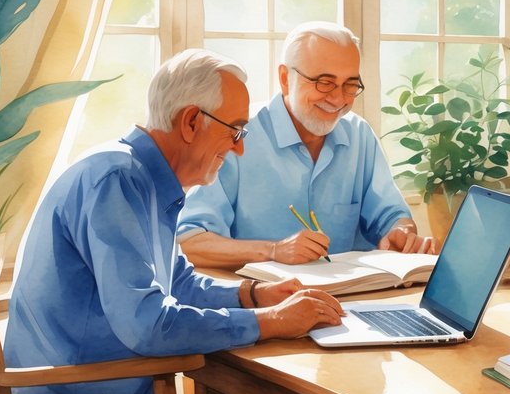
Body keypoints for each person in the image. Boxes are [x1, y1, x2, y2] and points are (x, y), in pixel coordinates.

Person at [4, 49, 352, 394]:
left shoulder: (138, 176)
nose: (240, 148)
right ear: (191, 121)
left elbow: (178, 282)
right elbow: (147, 324)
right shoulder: (118, 181)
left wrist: (251, 296)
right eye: (235, 131)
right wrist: (268, 323)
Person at [179, 21, 436, 268]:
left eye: (350, 84)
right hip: (264, 303)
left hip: (353, 300)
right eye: (324, 82)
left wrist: (402, 232)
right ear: (284, 78)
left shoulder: (359, 135)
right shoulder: (236, 135)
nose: (338, 99)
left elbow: (391, 216)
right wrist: (273, 250)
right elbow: (189, 240)